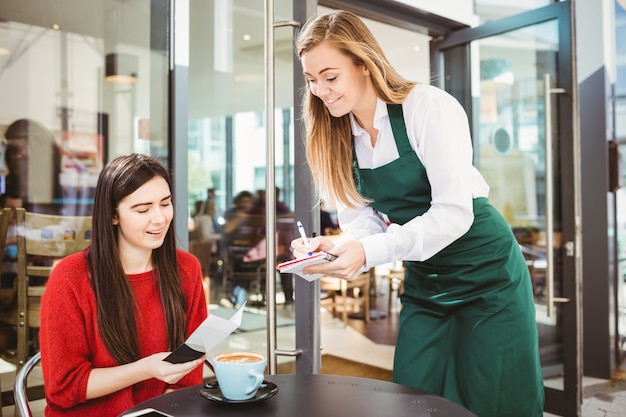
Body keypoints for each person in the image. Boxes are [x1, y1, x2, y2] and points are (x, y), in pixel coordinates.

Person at [291, 11, 544, 417]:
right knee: (414, 397)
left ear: (364, 64)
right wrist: (338, 247)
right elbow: (362, 220)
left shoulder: (426, 107)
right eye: (311, 79)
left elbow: (453, 213)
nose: (320, 89)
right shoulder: (335, 134)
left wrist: (368, 251)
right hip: (427, 282)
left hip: (488, 277)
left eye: (330, 76)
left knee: (494, 397)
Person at [39, 154, 207, 416]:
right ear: (112, 216)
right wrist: (145, 369)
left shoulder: (186, 269)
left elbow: (188, 377)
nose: (160, 218)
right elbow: (64, 387)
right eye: (142, 209)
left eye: (165, 203)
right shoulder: (71, 277)